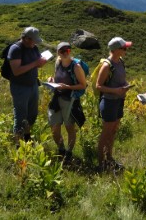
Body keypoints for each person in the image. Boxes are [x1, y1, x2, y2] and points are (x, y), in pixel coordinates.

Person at [95, 37, 132, 171]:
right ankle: (100, 163)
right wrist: (115, 90)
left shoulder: (121, 61)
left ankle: (109, 158)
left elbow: (121, 79)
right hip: (109, 102)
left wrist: (125, 86)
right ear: (116, 50)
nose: (126, 50)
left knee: (113, 131)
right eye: (124, 48)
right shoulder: (106, 65)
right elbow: (98, 86)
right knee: (106, 132)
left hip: (119, 100)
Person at [47, 42, 86, 163]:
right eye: (61, 51)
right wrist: (52, 80)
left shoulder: (76, 66)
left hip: (70, 100)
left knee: (70, 127)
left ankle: (68, 152)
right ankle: (61, 149)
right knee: (54, 127)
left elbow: (83, 85)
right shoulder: (58, 63)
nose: (64, 53)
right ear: (58, 52)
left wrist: (67, 87)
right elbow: (57, 77)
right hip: (57, 98)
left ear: (70, 51)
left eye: (67, 50)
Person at [8, 26, 48, 145]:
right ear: (26, 39)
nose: (35, 43)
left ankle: (26, 136)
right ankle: (18, 144)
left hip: (33, 85)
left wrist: (40, 63)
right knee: (20, 116)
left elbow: (36, 63)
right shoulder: (15, 49)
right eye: (33, 41)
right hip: (20, 87)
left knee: (32, 114)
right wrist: (35, 63)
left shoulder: (33, 47)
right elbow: (16, 71)